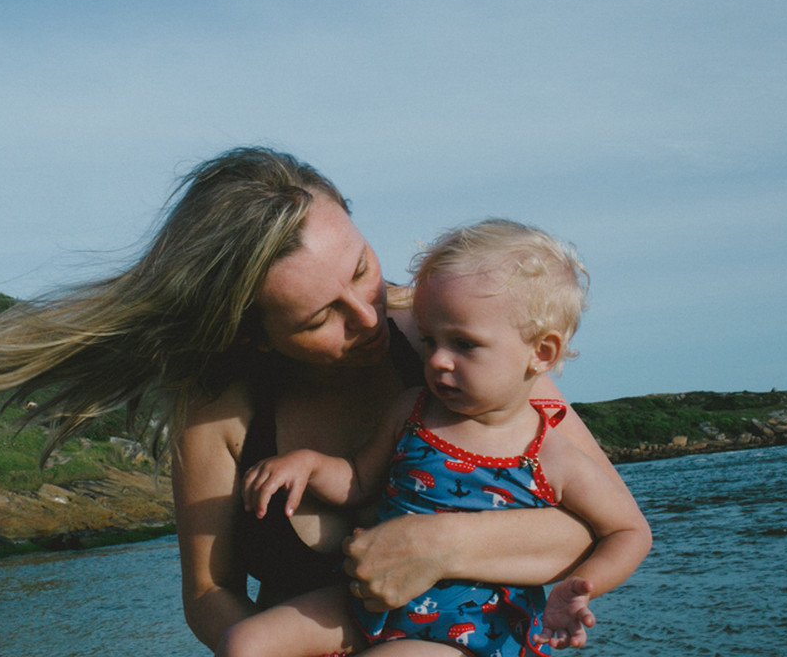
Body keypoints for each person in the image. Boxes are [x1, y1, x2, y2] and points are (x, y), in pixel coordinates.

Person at [0, 147, 623, 651]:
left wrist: (436, 543)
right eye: (320, 317)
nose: (368, 317)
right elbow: (209, 594)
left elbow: (598, 524)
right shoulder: (218, 412)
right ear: (254, 335)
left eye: (361, 268)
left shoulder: (453, 342)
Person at [225, 219, 652, 657]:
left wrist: (581, 586)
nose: (438, 361)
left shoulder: (550, 455)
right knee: (245, 643)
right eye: (430, 340)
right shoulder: (413, 410)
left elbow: (629, 531)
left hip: (468, 628)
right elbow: (357, 480)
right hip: (368, 599)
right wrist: (310, 465)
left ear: (541, 352)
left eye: (464, 344)